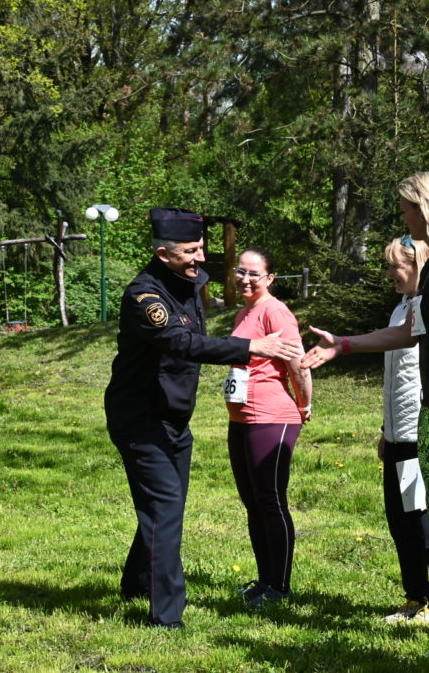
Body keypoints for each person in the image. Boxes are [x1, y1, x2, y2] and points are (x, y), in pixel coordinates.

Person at [302, 172, 429, 638]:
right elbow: (410, 333)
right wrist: (343, 344)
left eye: (406, 208)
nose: (402, 218)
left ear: (426, 207)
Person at [104, 208, 302, 629]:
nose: (200, 257)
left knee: (166, 504)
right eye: (191, 251)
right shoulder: (144, 295)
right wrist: (250, 348)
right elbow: (180, 342)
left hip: (174, 416)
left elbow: (193, 337)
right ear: (163, 254)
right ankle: (166, 617)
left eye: (202, 248)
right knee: (165, 507)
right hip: (140, 417)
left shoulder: (192, 283)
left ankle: (138, 581)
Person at [224, 247, 313, 608]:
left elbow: (299, 364)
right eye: (240, 272)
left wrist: (304, 405)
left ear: (270, 279)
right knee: (252, 502)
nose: (245, 279)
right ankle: (264, 581)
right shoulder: (246, 312)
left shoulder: (276, 311)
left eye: (253, 274)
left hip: (273, 417)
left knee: (270, 501)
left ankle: (280, 586)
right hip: (241, 417)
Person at [377, 236, 429, 623]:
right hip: (396, 435)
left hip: (419, 434)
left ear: (419, 266)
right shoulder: (399, 309)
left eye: (396, 266)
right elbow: (395, 378)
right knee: (400, 521)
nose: (389, 273)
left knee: (423, 522)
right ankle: (415, 596)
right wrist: (383, 429)